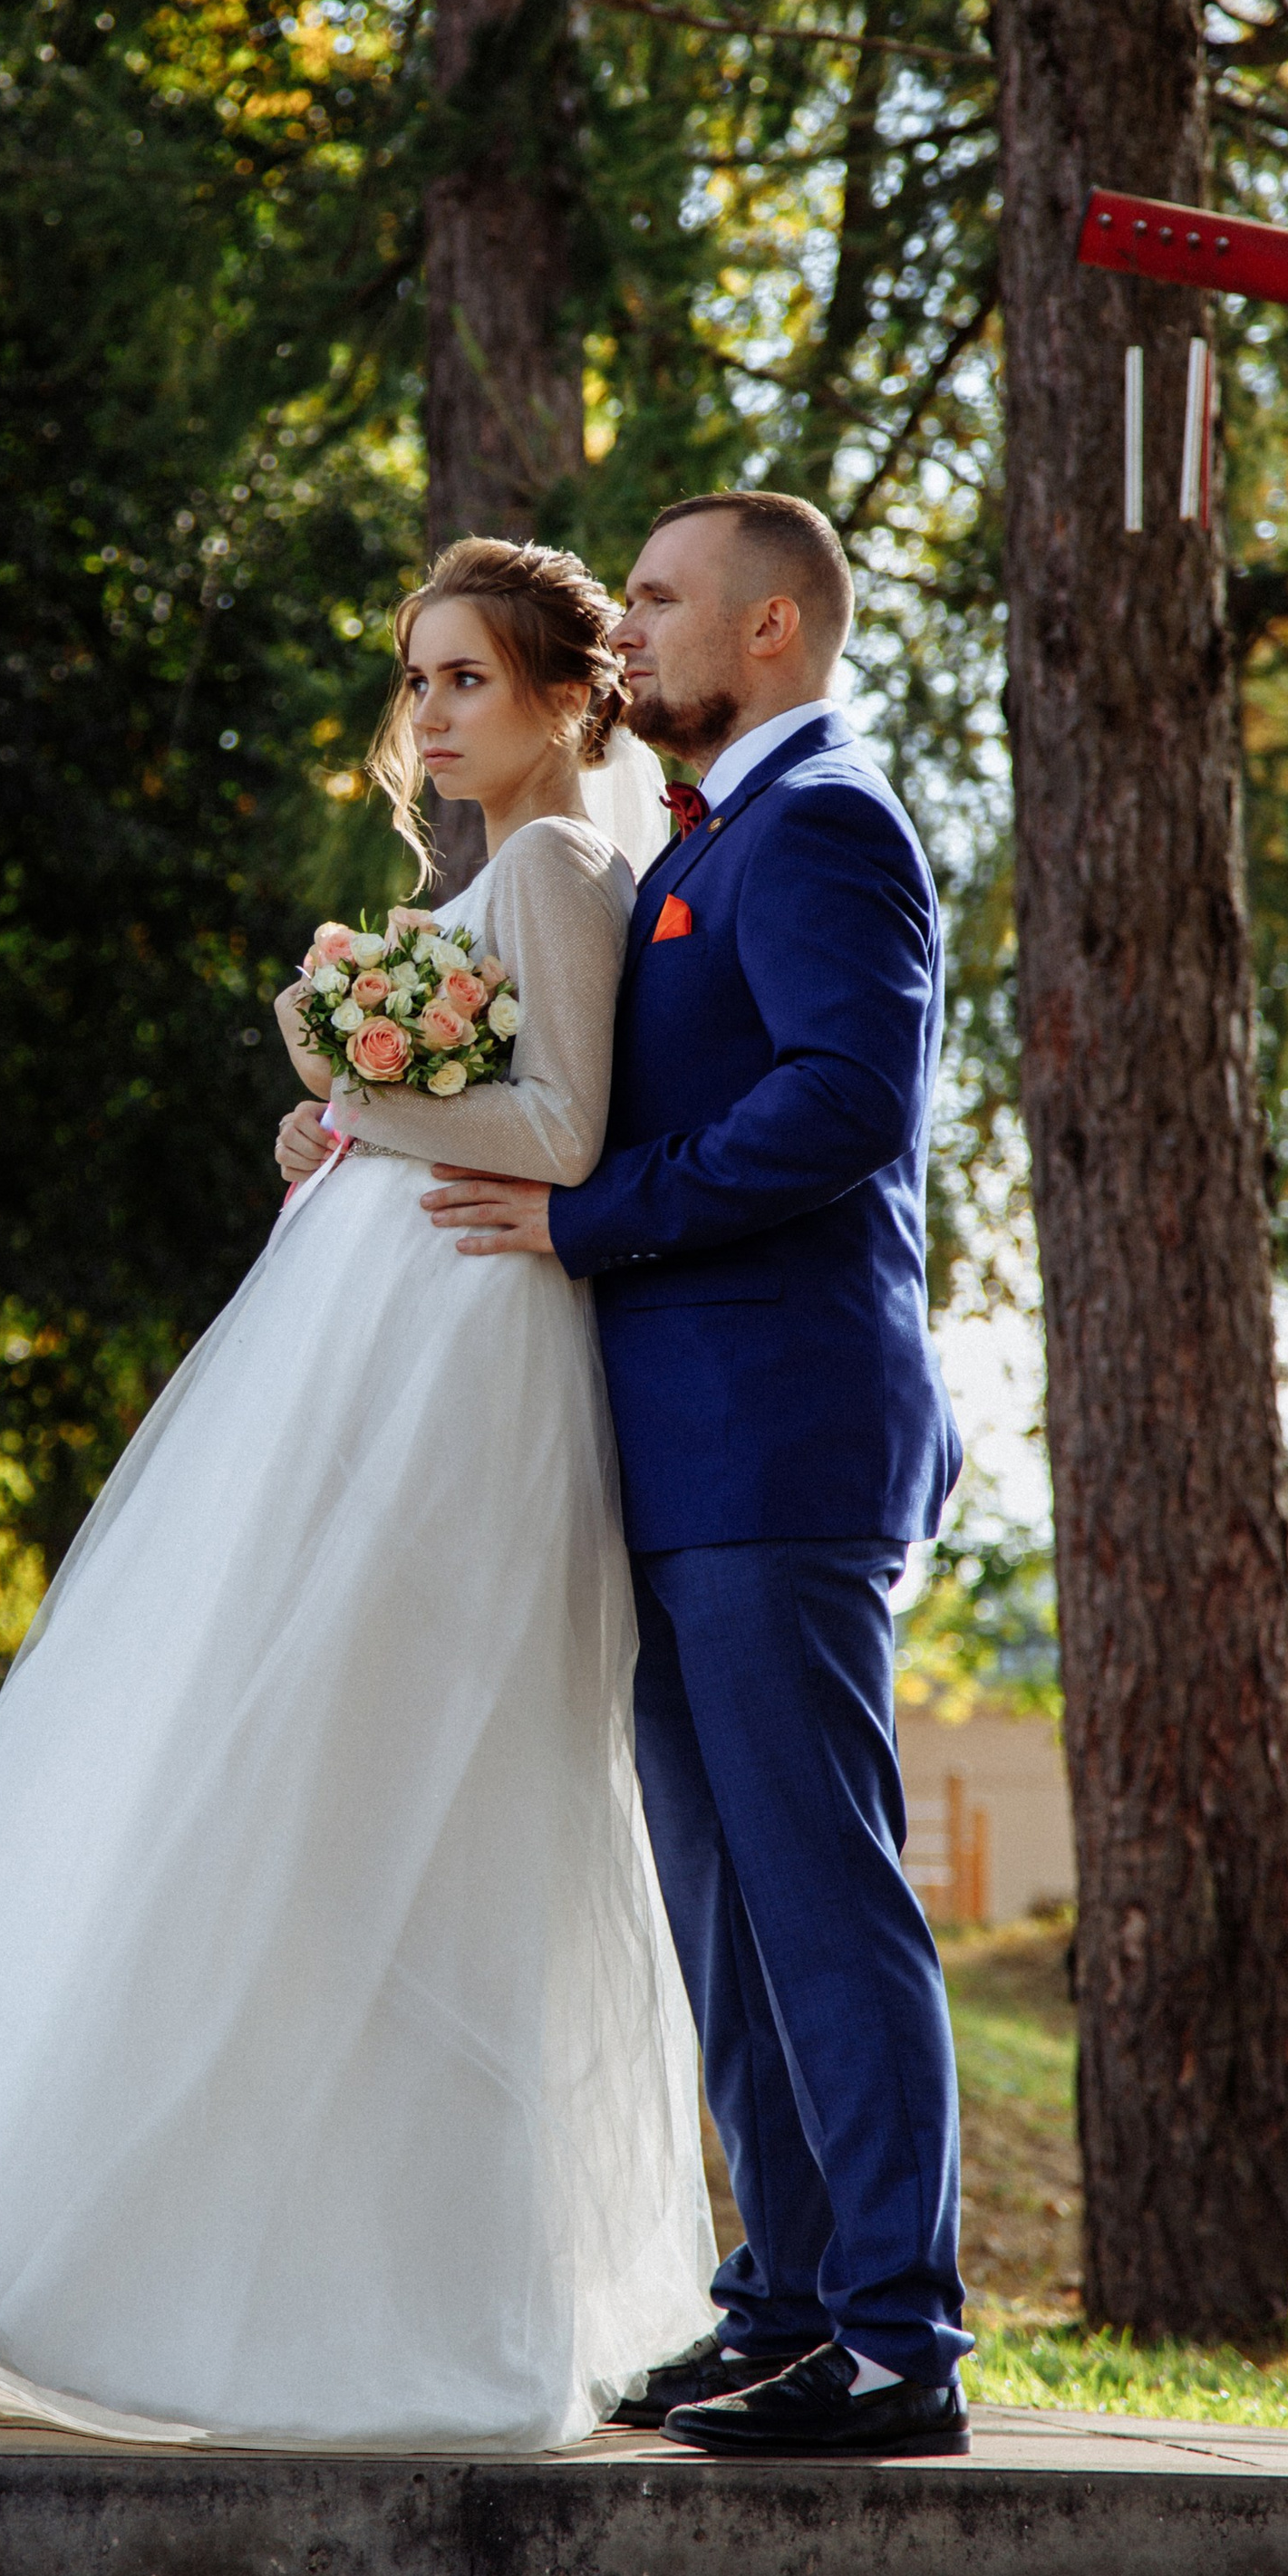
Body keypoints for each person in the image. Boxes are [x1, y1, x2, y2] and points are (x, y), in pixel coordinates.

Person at [0, 535, 713, 2449]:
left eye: (467, 678)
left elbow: (563, 1131)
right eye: (417, 679)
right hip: (393, 1327)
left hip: (470, 1354)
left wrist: (347, 1076)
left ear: (567, 695)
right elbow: (478, 1106)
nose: (430, 714)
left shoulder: (565, 867)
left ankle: (430, 2308)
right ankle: (258, 2277)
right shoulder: (494, 874)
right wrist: (341, 1116)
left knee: (410, 1781)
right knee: (301, 1774)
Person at [414, 492, 971, 2460]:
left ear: (773, 627)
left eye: (659, 598)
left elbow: (845, 1099)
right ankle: (786, 2303)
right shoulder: (702, 841)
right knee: (725, 1910)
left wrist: (594, 1219)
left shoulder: (824, 822)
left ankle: (897, 2340)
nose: (629, 628)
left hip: (779, 1439)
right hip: (671, 1451)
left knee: (818, 1892)